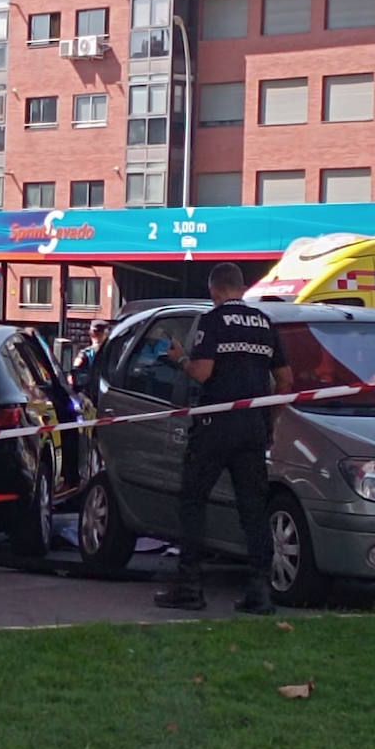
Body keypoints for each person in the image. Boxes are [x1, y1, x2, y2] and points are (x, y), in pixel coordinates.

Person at [156, 263, 293, 615]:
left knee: (193, 501)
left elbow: (203, 373)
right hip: (252, 428)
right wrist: (269, 421)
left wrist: (180, 358)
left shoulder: (213, 321)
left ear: (215, 289)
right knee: (253, 509)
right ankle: (259, 591)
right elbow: (285, 380)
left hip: (215, 425)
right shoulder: (264, 323)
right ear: (242, 287)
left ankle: (189, 587)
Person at [70, 319, 109, 389]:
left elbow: (75, 371)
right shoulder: (112, 352)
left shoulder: (86, 353)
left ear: (91, 334)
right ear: (105, 334)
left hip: (90, 391)